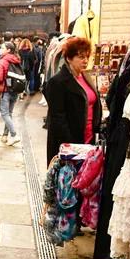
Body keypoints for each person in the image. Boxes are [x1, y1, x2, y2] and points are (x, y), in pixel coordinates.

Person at [45, 37, 101, 166]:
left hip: (89, 138)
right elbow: (57, 116)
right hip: (70, 142)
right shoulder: (57, 82)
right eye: (81, 57)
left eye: (87, 57)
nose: (85, 61)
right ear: (69, 58)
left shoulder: (86, 77)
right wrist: (71, 143)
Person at [0, 42, 22, 146]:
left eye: (2, 48)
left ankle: (14, 135)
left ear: (8, 50)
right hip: (14, 90)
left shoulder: (2, 61)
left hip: (5, 90)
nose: (0, 50)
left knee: (5, 114)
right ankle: (5, 136)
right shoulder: (16, 59)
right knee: (9, 114)